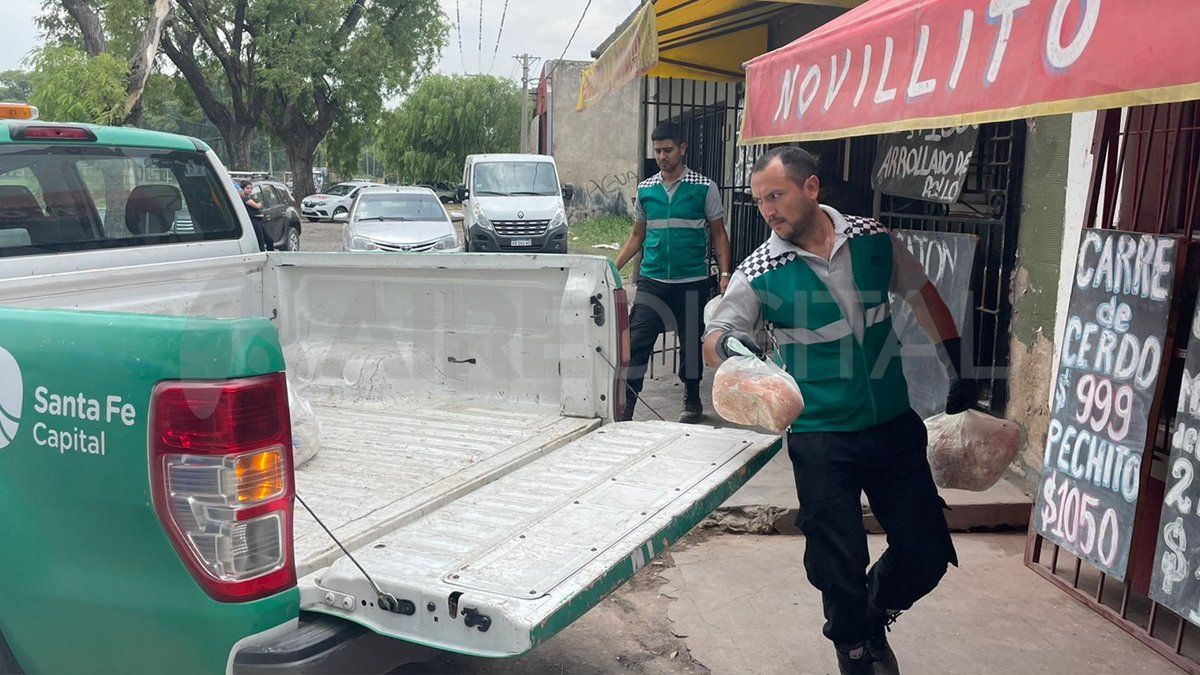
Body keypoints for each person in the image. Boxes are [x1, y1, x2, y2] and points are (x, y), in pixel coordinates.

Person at [703, 146, 979, 674]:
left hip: (892, 425)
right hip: (821, 434)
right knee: (838, 565)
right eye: (759, 200)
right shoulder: (760, 269)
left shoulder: (874, 239)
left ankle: (873, 614)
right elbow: (713, 338)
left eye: (776, 195)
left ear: (811, 187)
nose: (767, 210)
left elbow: (922, 294)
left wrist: (957, 365)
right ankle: (853, 649)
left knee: (925, 552)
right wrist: (732, 347)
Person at [614, 122, 732, 423]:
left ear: (682, 148)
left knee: (691, 344)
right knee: (637, 342)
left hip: (691, 281)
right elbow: (637, 235)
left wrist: (725, 275)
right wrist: (611, 269)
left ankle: (692, 396)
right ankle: (627, 404)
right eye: (657, 151)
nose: (662, 156)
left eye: (667, 150)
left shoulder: (704, 187)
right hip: (652, 281)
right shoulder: (646, 190)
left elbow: (719, 234)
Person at [239, 180, 271, 251]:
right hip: (253, 221)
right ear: (243, 189)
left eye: (251, 188)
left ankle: (270, 255)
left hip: (259, 221)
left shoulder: (250, 197)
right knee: (261, 241)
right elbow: (256, 206)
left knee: (269, 240)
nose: (250, 190)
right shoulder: (244, 198)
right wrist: (260, 204)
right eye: (247, 188)